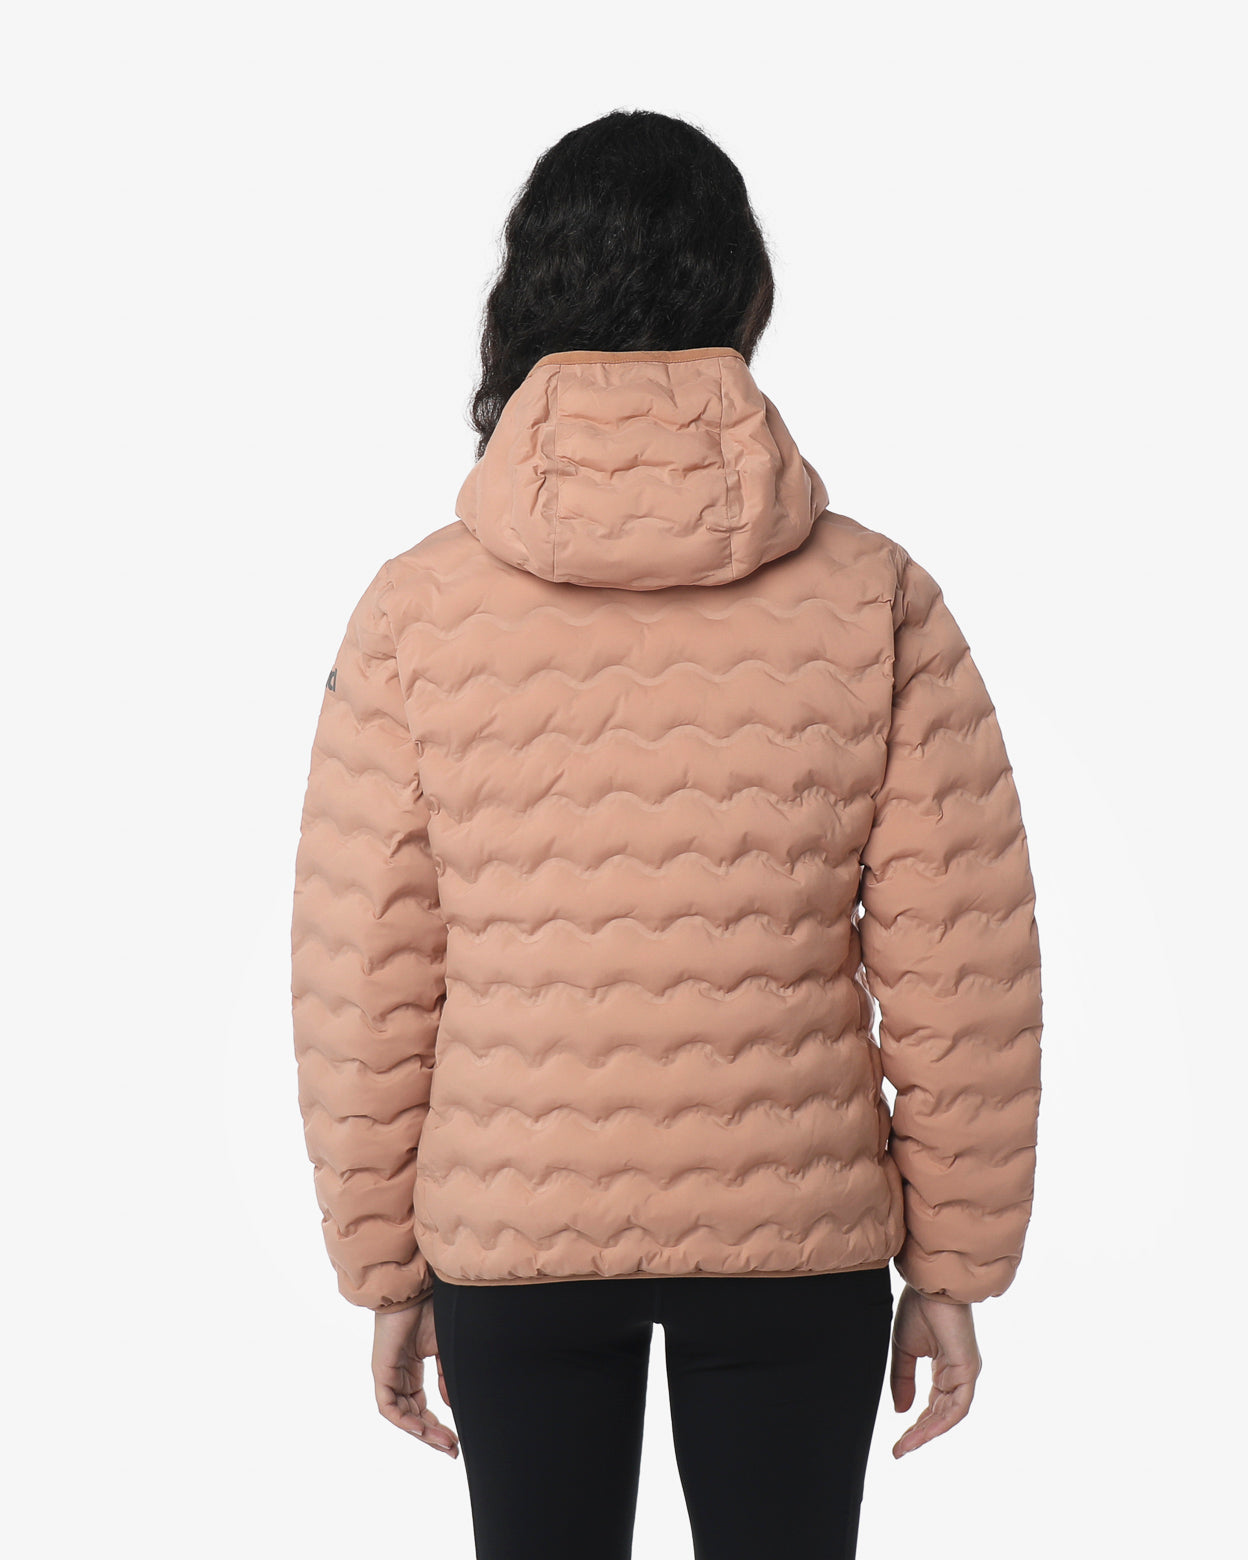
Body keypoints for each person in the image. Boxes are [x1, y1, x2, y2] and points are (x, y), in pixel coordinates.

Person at [291, 108, 1044, 1560]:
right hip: (798, 1234)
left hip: (512, 1229)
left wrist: (386, 1265)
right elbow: (962, 967)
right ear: (745, 293)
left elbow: (362, 969)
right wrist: (952, 1263)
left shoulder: (417, 608)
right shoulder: (874, 597)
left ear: (526, 295)